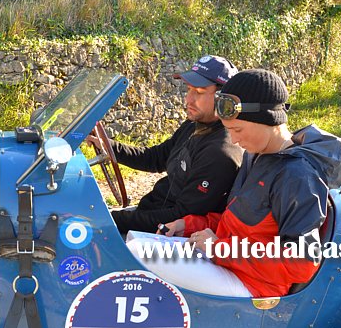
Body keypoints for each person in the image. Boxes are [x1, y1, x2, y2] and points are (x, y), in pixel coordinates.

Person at [126, 69, 341, 297]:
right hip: (228, 263)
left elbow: (302, 262)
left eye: (237, 129)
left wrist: (219, 248)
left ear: (268, 120)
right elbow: (239, 223)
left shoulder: (296, 175)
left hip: (256, 285)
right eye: (229, 130)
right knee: (133, 241)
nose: (235, 140)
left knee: (138, 254)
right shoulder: (257, 156)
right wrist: (187, 225)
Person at [96, 55, 243, 234]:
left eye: (199, 91)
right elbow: (155, 158)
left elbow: (183, 215)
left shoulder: (219, 153)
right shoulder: (193, 126)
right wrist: (107, 145)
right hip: (149, 213)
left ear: (222, 99)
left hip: (165, 234)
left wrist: (114, 220)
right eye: (189, 89)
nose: (189, 99)